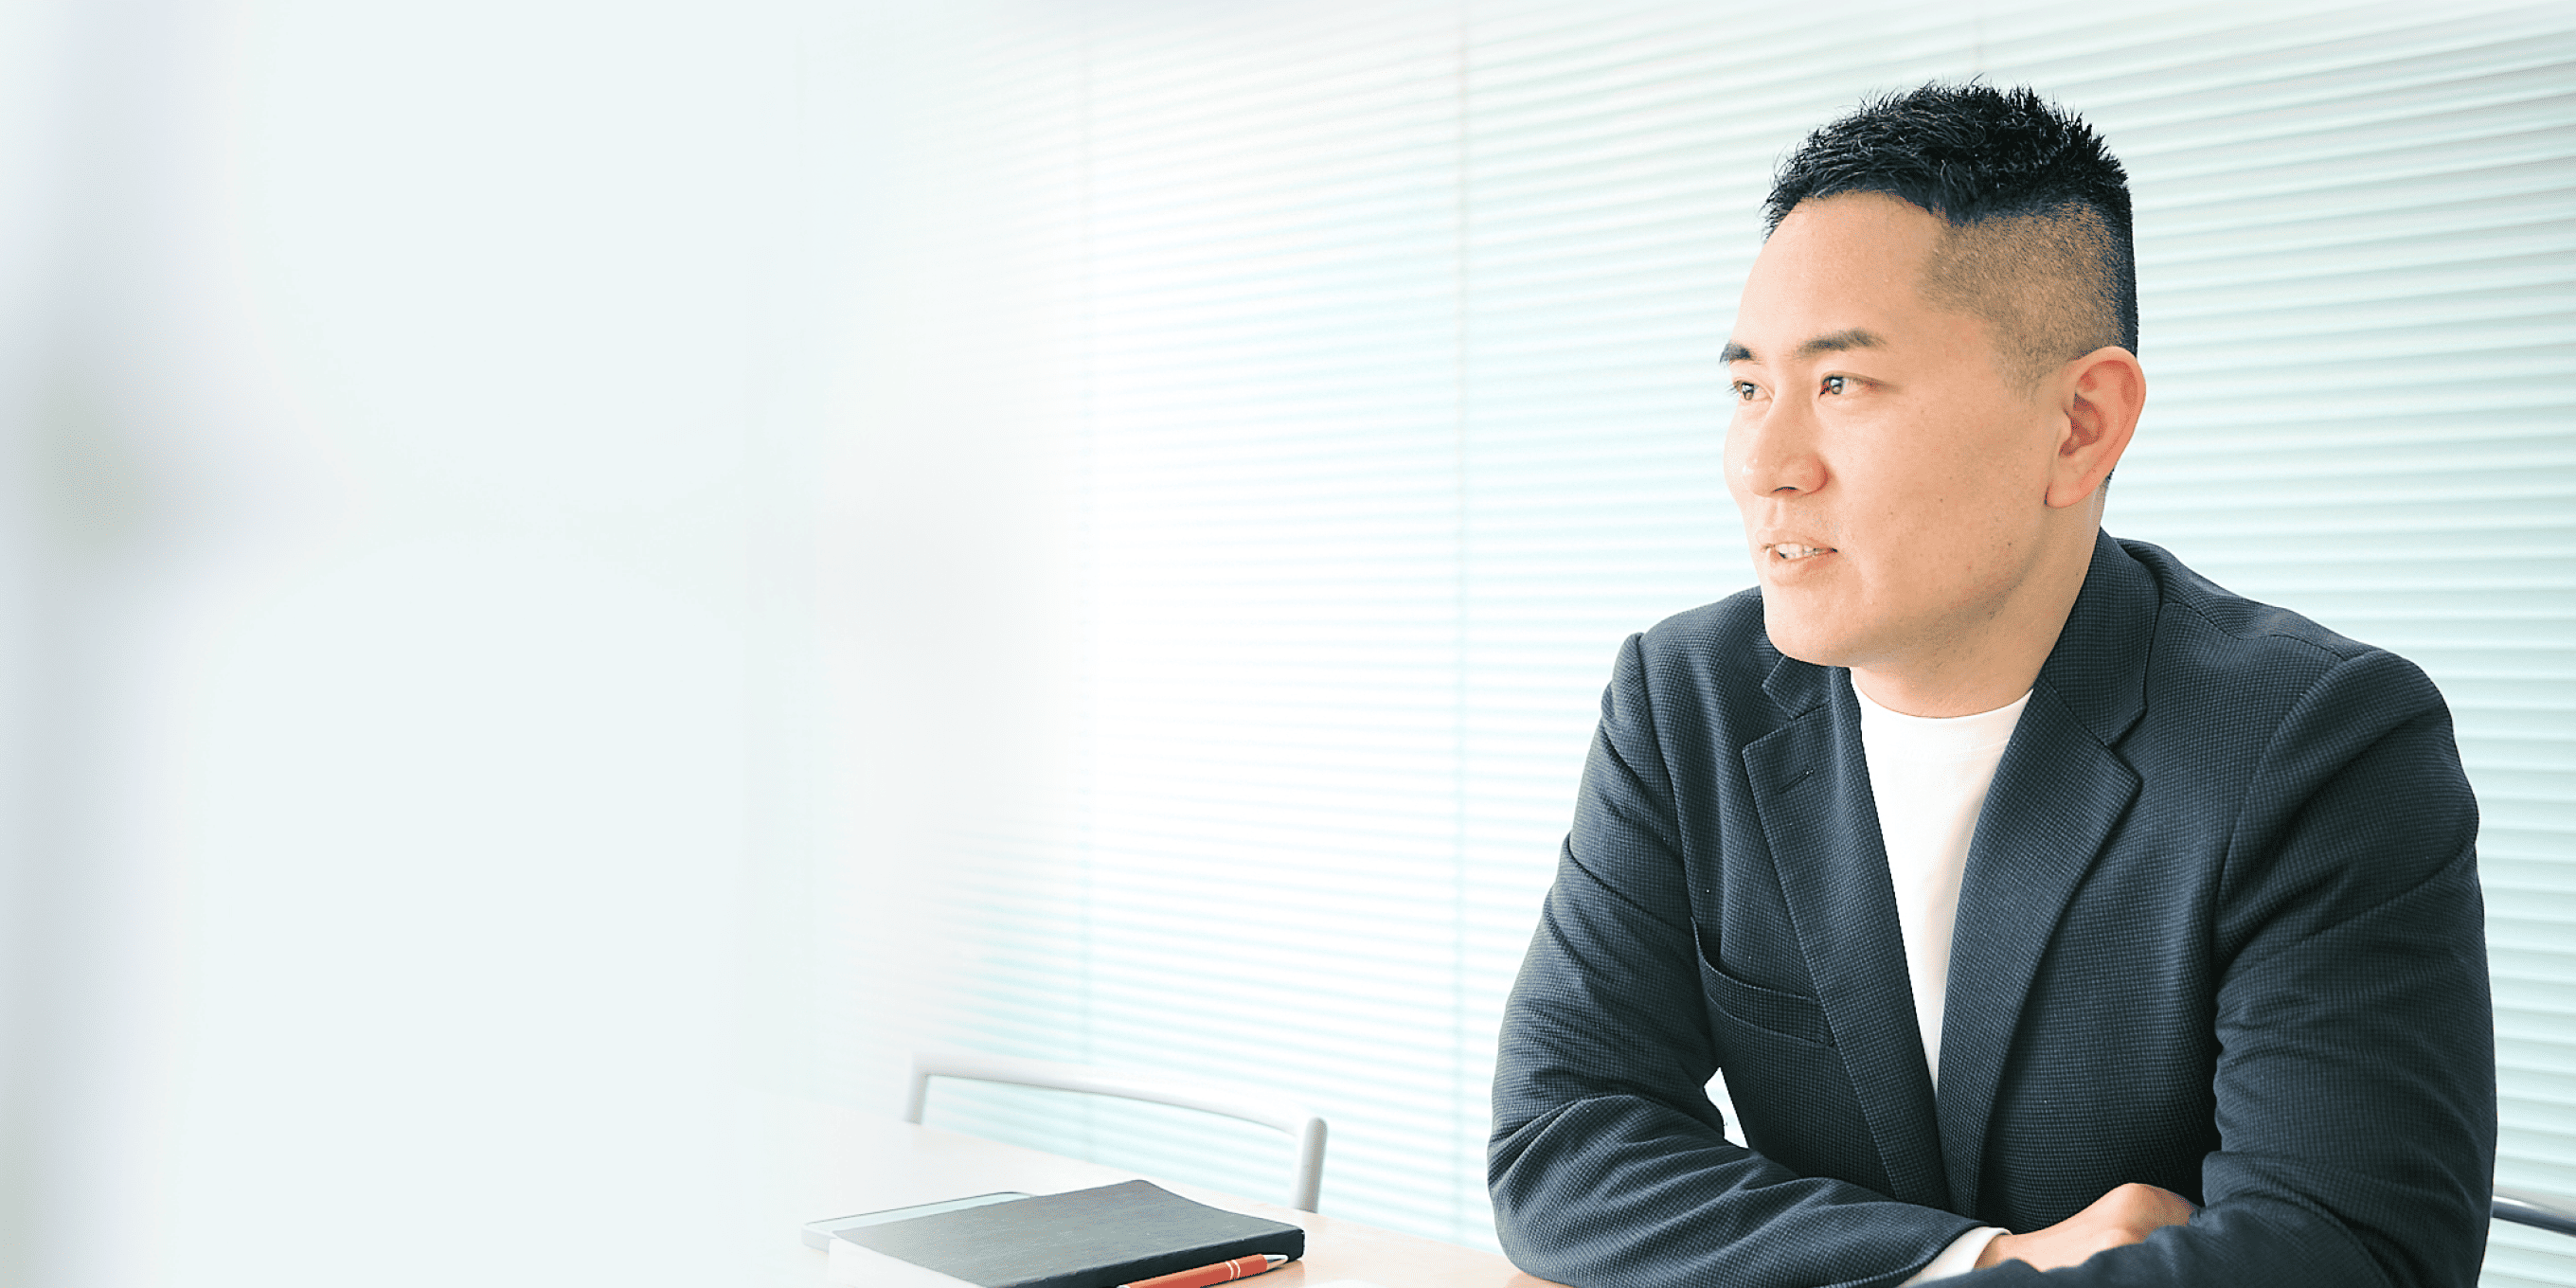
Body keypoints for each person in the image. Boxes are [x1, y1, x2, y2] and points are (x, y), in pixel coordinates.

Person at [1487, 83, 2494, 1286]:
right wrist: (1976, 1260)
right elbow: (1562, 1139)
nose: (1763, 465)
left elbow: (2349, 1251)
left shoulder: (2318, 744)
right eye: (1748, 387)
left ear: (2078, 425)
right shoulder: (1684, 699)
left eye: (1840, 385)